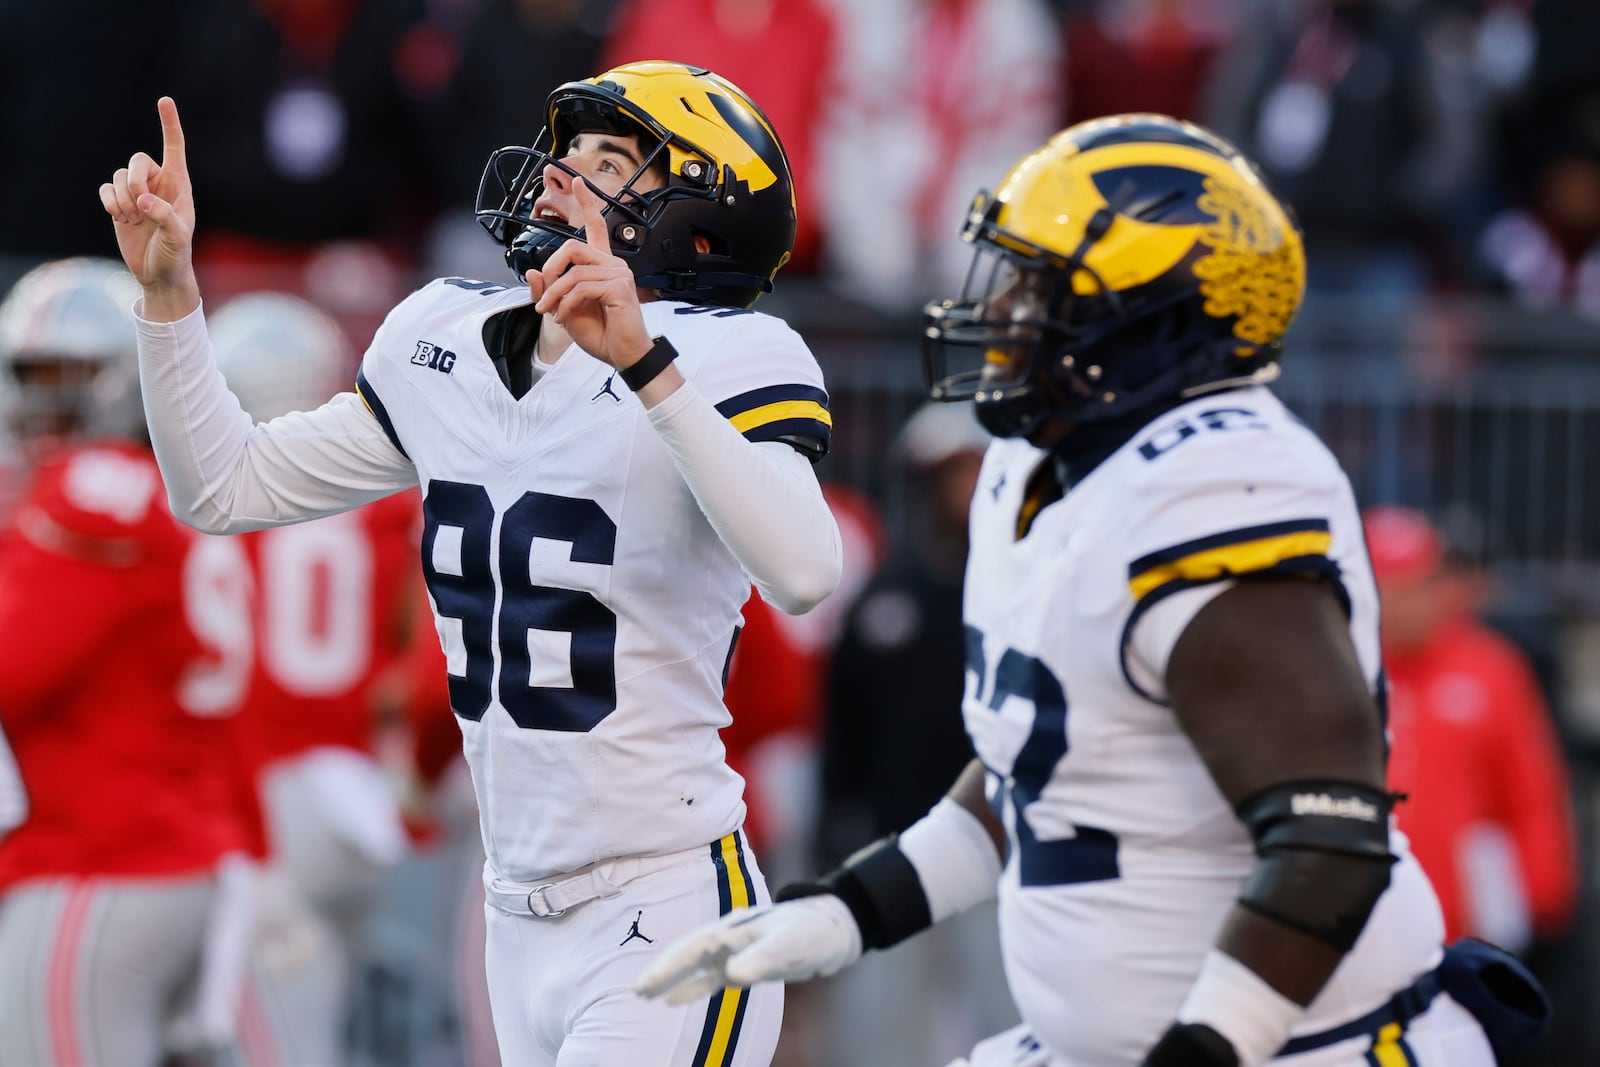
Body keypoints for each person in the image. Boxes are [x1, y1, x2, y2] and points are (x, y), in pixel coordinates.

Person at [639, 116, 1541, 1066]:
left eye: (1039, 286)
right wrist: (849, 910)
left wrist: (1205, 1046)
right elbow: (1045, 769)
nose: (1003, 311)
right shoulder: (1034, 466)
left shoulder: (1218, 490)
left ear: (1152, 324)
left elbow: (1328, 841)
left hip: (1306, 1048)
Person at [101, 60, 841, 1067]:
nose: (562, 175)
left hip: (666, 901)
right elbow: (223, 488)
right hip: (508, 907)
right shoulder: (441, 337)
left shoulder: (728, 354)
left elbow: (802, 568)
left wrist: (644, 370)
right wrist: (171, 295)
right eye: (567, 151)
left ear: (692, 226)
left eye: (610, 160)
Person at [0, 257, 258, 1067]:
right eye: (32, 373)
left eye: (71, 372)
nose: (50, 397)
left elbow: (14, 669)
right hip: (180, 850)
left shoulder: (92, 490)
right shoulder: (175, 488)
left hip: (99, 861)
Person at [208, 291, 422, 1067]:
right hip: (358, 784)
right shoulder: (384, 507)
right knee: (321, 1013)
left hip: (267, 787)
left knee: (274, 1033)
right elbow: (416, 642)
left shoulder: (219, 501)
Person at [1364, 505, 1578, 952]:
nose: (1408, 600)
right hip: (1360, 905)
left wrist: (1544, 886)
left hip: (1464, 913)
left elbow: (1530, 783)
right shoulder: (1347, 667)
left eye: (1420, 583)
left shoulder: (1491, 666)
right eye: (1391, 586)